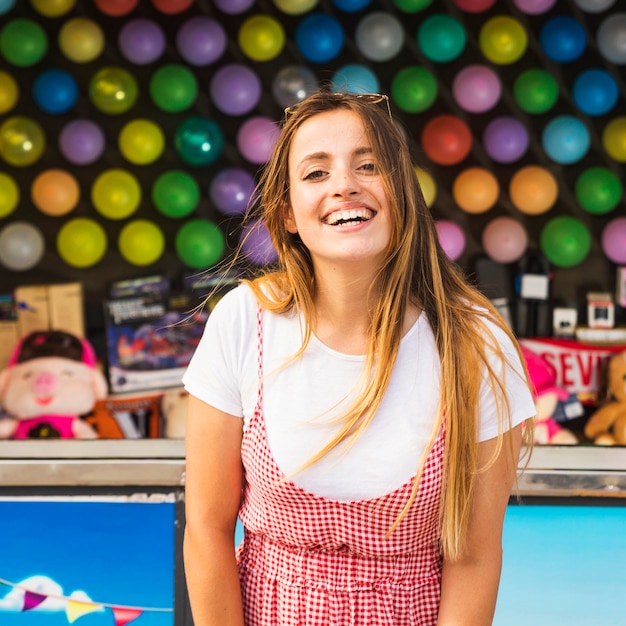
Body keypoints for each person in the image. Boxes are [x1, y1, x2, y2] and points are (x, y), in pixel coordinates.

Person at [182, 90, 536, 626]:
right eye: (316, 173)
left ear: (402, 193)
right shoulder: (241, 321)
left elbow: (475, 556)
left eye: (368, 165)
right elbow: (207, 529)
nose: (344, 184)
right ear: (289, 216)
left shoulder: (476, 344)